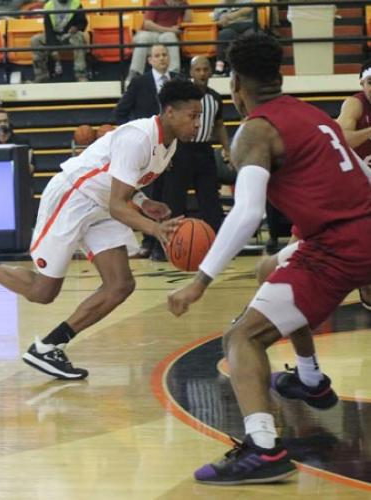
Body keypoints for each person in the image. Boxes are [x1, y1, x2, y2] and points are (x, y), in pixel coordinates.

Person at [168, 33, 371, 485]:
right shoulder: (314, 116)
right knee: (270, 268)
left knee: (241, 337)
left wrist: (200, 280)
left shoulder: (255, 132)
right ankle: (309, 377)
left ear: (236, 83)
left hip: (336, 249)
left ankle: (262, 448)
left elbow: (247, 214)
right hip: (358, 232)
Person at [0, 79, 203, 380]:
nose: (197, 123)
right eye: (193, 116)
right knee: (42, 292)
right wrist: (155, 229)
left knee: (121, 285)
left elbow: (120, 182)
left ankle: (49, 347)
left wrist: (143, 201)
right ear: (169, 112)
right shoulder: (139, 137)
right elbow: (118, 204)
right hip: (74, 197)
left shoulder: (170, 144)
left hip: (101, 206)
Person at [115, 44, 178, 260]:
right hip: (144, 151)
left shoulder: (177, 81)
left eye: (164, 55)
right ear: (149, 60)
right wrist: (134, 136)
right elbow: (121, 111)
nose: (161, 59)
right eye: (157, 56)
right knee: (147, 196)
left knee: (166, 200)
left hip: (170, 149)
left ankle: (167, 244)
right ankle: (148, 241)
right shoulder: (140, 82)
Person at [163, 55, 230, 233]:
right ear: (191, 72)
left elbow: (219, 125)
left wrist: (227, 148)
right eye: (198, 69)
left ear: (211, 72)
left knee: (210, 200)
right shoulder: (181, 98)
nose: (202, 73)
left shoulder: (215, 98)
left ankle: (216, 241)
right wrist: (165, 150)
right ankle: (170, 241)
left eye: (205, 69)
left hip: (204, 150)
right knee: (175, 199)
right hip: (181, 149)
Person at [126, 0, 190, 83]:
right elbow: (147, 24)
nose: (175, 4)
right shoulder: (155, 2)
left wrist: (187, 7)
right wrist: (170, 29)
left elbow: (188, 21)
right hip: (149, 33)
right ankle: (135, 74)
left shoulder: (181, 3)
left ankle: (174, 73)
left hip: (165, 35)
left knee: (171, 37)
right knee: (143, 38)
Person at [30, 0, 88, 83]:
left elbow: (83, 22)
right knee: (35, 40)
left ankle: (81, 75)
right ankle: (41, 76)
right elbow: (48, 30)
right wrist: (53, 49)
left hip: (69, 34)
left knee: (79, 37)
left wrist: (76, 27)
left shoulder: (76, 3)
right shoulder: (48, 5)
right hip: (54, 34)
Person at [336, 58, 371, 168]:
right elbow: (340, 139)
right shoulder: (355, 104)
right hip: (360, 174)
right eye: (370, 82)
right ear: (362, 84)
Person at [213, 0, 255, 77]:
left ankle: (251, 68)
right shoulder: (220, 5)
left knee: (252, 36)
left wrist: (231, 16)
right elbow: (216, 21)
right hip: (230, 28)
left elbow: (250, 8)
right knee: (223, 35)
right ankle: (219, 68)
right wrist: (222, 22)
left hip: (248, 25)